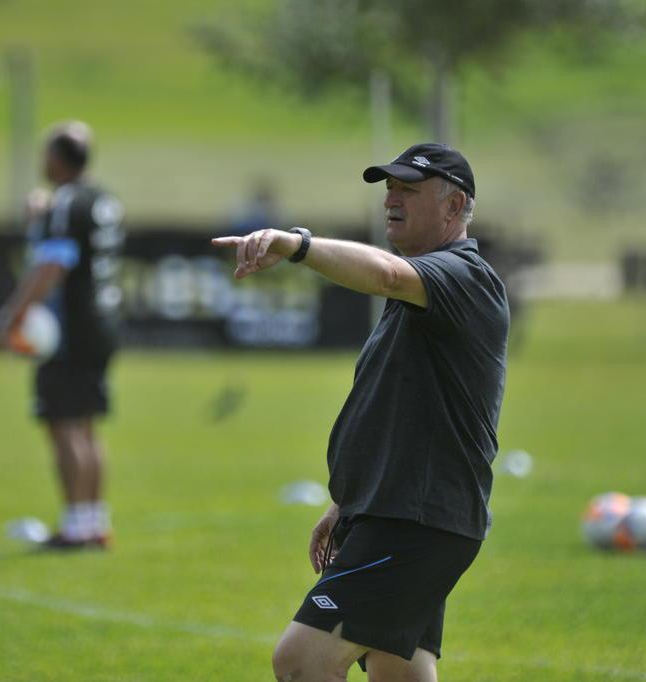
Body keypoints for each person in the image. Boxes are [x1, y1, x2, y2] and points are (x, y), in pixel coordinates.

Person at [213, 143, 509, 681]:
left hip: (416, 520)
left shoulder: (464, 277)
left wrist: (296, 244)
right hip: (398, 512)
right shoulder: (424, 291)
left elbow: (388, 275)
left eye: (408, 189)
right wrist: (344, 505)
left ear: (454, 205)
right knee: (399, 672)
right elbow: (400, 413)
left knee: (301, 660)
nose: (391, 198)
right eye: (388, 187)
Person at [0, 121, 125, 549]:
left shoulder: (65, 203)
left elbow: (53, 263)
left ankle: (75, 527)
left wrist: (14, 313)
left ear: (56, 158)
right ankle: (93, 522)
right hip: (102, 323)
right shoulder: (101, 199)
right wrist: (41, 218)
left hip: (69, 329)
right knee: (85, 426)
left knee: (65, 426)